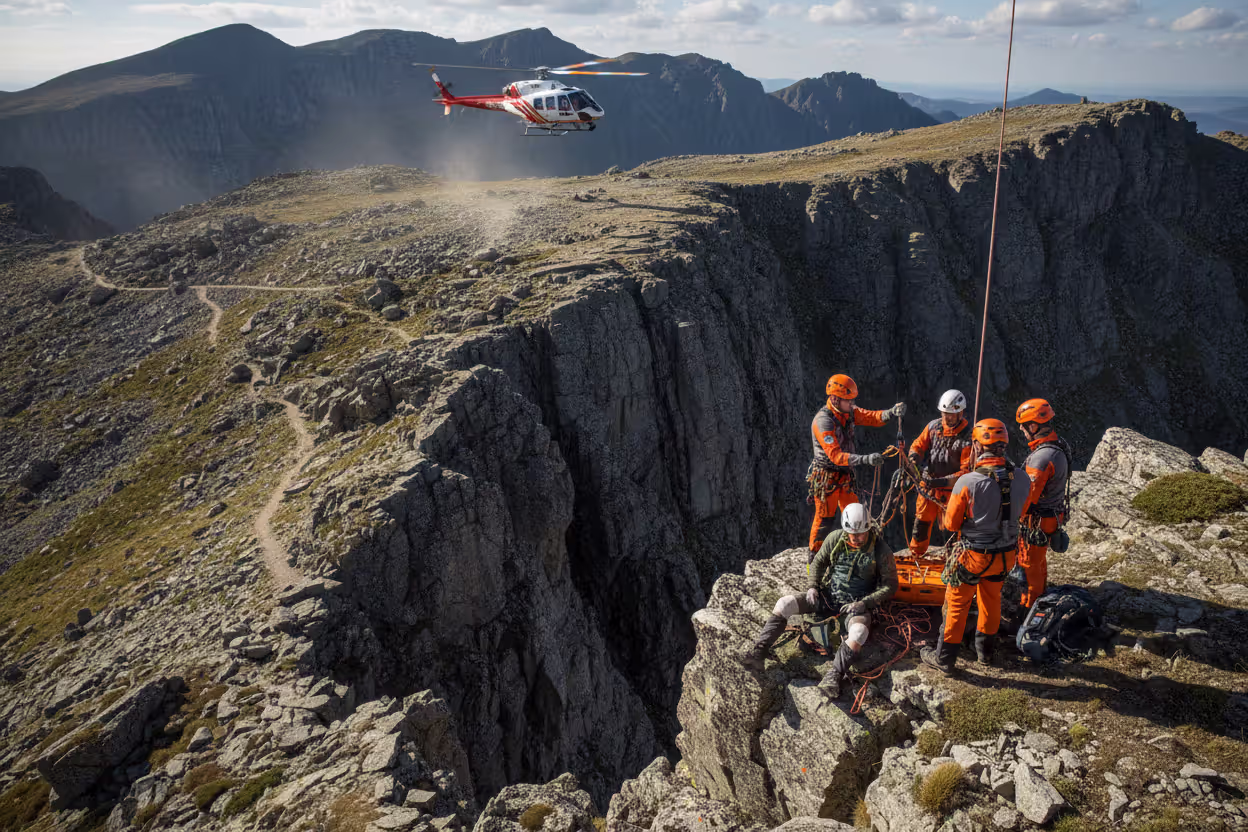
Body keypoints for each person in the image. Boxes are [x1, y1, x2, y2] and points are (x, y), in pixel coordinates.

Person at [744, 503, 898, 696]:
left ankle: (834, 675)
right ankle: (759, 651)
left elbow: (890, 586)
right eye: (852, 534)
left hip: (856, 605)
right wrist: (812, 586)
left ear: (868, 529)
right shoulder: (835, 539)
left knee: (858, 632)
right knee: (784, 604)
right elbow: (818, 562)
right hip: (827, 595)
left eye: (861, 534)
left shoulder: (881, 551)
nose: (857, 538)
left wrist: (864, 603)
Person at [921, 419, 1033, 672]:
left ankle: (944, 659)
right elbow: (1021, 513)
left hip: (973, 555)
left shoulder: (968, 482)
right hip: (1005, 556)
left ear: (977, 447)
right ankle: (986, 652)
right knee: (991, 598)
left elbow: (951, 524)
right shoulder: (1024, 479)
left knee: (957, 603)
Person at [808, 373, 905, 553]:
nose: (852, 404)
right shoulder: (823, 422)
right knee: (824, 520)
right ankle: (814, 559)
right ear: (836, 400)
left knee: (855, 515)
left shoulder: (848, 412)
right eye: (849, 400)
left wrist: (891, 413)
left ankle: (856, 553)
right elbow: (835, 456)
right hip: (827, 478)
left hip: (844, 476)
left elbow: (871, 417)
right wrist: (865, 459)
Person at [1016, 398, 1070, 609]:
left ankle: (1029, 606)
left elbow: (1028, 497)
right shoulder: (1058, 446)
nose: (1021, 430)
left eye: (1023, 426)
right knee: (1038, 561)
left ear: (1033, 426)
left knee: (1029, 565)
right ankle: (1041, 594)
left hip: (1037, 521)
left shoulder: (1041, 458)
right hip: (1051, 517)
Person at [906, 390, 973, 557]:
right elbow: (918, 445)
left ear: (960, 413)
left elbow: (966, 472)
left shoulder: (969, 437)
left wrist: (940, 482)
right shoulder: (933, 427)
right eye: (944, 414)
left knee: (956, 526)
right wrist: (914, 457)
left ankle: (958, 560)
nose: (946, 418)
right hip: (930, 484)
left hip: (953, 490)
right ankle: (917, 555)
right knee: (921, 523)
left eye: (950, 414)